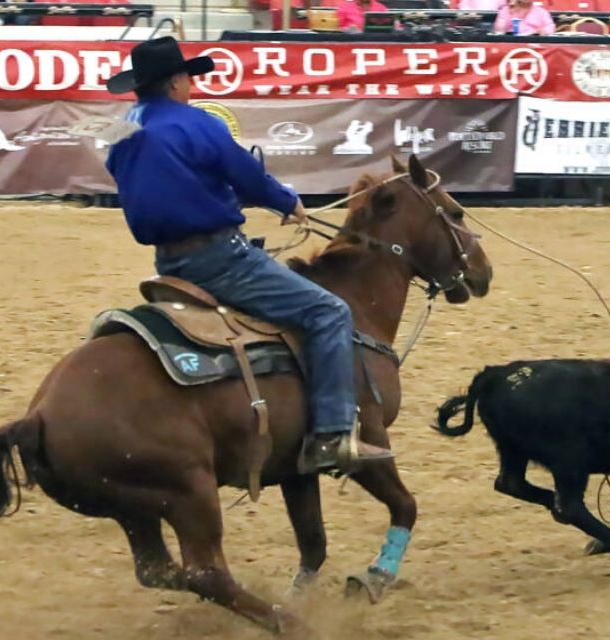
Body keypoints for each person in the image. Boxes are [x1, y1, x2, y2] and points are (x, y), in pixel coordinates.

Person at [102, 37, 394, 474]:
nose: (191, 86)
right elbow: (246, 175)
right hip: (220, 259)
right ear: (176, 81)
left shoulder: (123, 129)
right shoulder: (196, 124)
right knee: (329, 311)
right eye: (188, 78)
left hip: (169, 263)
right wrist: (287, 202)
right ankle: (332, 434)